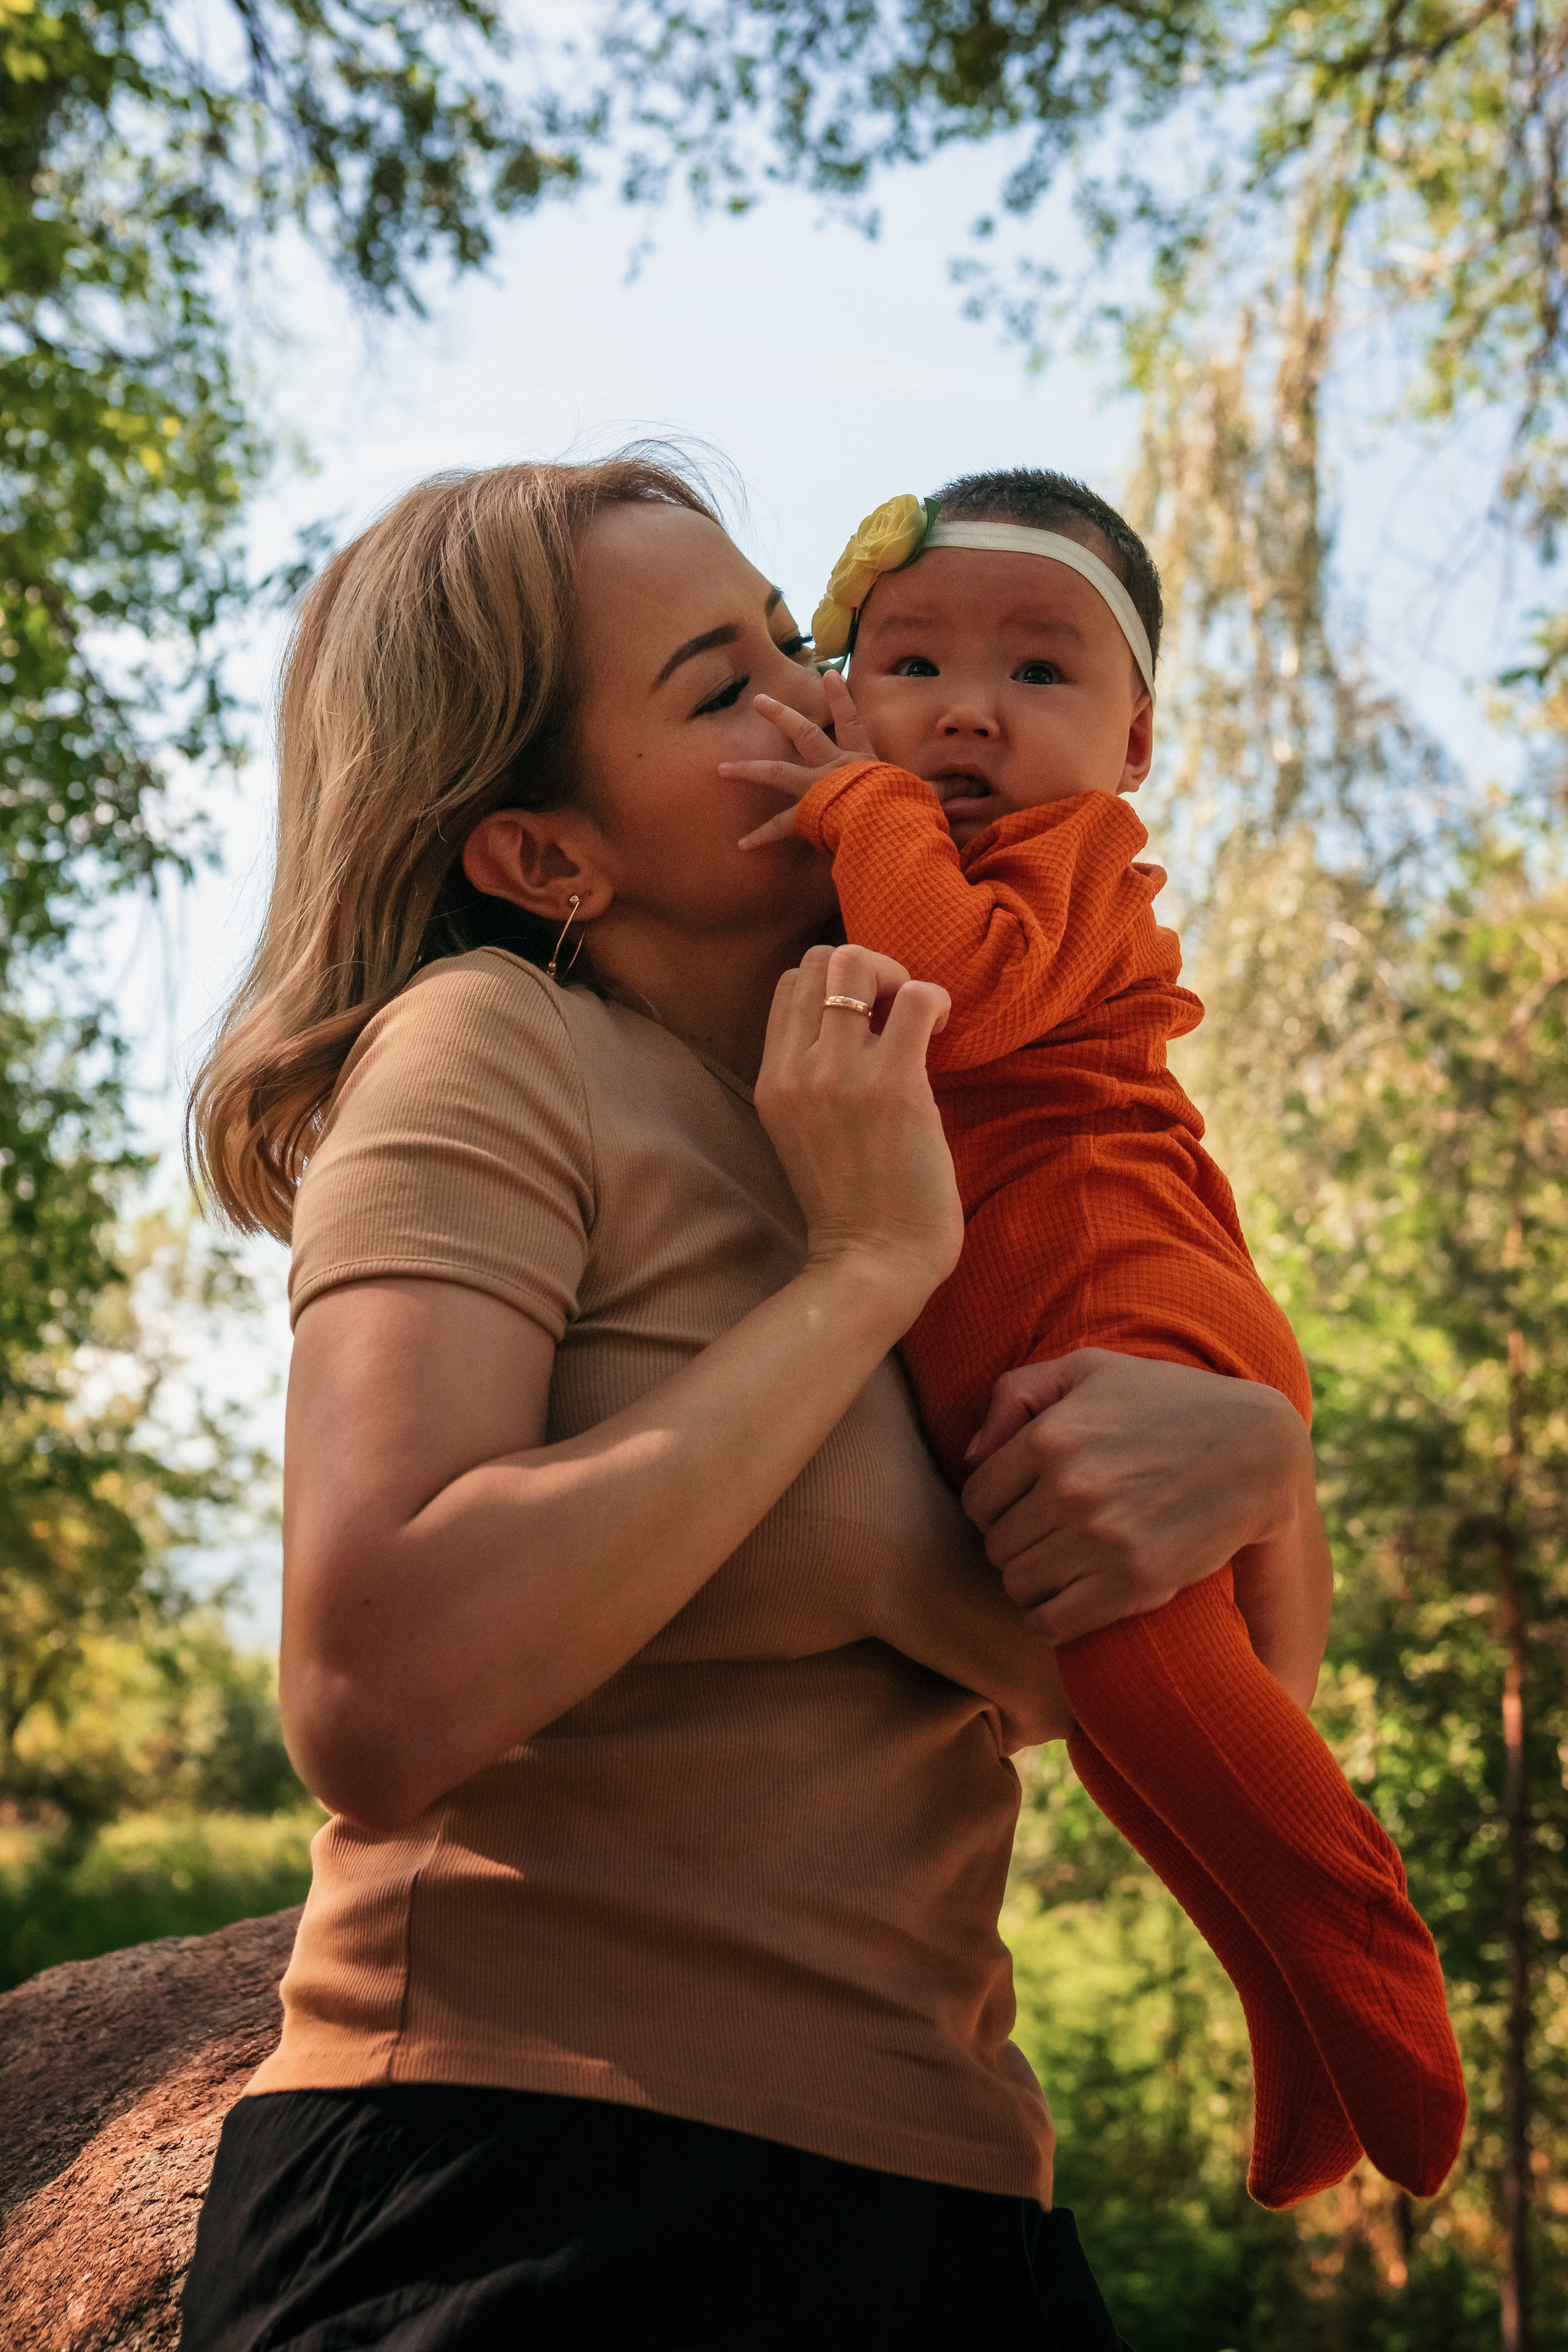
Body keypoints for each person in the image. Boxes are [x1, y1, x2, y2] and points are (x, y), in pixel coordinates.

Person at [181, 454, 1338, 2351]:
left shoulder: (939, 1104)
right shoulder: (500, 1054)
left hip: (958, 2195)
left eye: (794, 644)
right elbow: (369, 1694)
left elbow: (1188, 1706)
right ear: (547, 855)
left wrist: (1265, 1458)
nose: (819, 704)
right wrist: (857, 1276)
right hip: (515, 2183)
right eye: (721, 690)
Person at [722, 472, 1467, 2210]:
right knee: (1136, 1738)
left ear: (1135, 747)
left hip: (1107, 1271)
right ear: (846, 679)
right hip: (1049, 1295)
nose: (968, 708)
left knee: (1139, 1670)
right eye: (909, 663)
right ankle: (1292, 2017)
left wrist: (858, 799)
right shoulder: (921, 846)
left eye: (1042, 673)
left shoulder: (1050, 854)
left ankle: (1368, 1947)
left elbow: (962, 992)